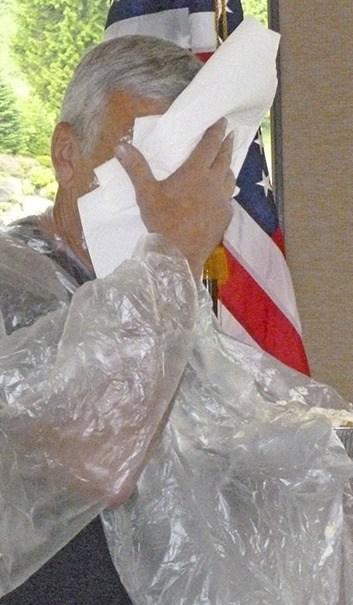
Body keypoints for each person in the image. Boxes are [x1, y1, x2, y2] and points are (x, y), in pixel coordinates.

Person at [0, 35, 234, 604]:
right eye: (143, 157)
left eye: (183, 168)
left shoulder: (149, 283)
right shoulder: (15, 283)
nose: (162, 192)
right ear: (67, 153)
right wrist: (176, 250)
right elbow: (98, 460)